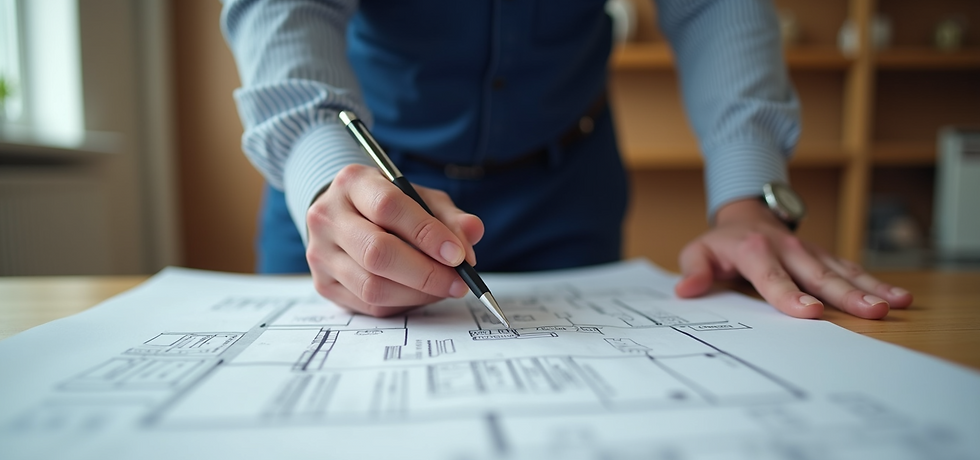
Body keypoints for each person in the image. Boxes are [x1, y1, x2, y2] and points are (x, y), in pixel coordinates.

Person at [220, 0, 912, 320]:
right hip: (362, 193)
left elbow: (712, 7)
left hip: (566, 186)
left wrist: (746, 195)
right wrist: (322, 171)